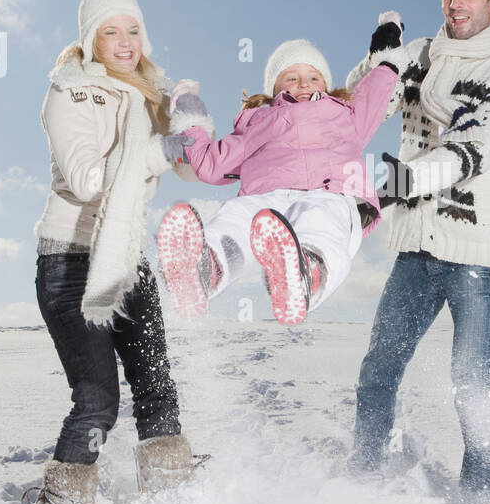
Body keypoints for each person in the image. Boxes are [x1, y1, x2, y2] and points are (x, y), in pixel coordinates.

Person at [343, 0, 490, 504]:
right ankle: (362, 473)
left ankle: (486, 496)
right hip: (415, 248)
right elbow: (364, 105)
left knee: (474, 380)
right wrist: (381, 58)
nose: (455, 4)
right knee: (380, 364)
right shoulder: (420, 55)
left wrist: (407, 179)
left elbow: (477, 145)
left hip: (476, 249)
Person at [31, 0, 215, 504]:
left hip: (127, 259)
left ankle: (171, 503)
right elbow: (89, 180)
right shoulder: (69, 93)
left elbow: (186, 167)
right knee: (97, 401)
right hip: (69, 259)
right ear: (91, 39)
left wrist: (191, 126)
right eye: (110, 32)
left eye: (132, 30)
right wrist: (159, 150)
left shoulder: (151, 97)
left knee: (157, 386)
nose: (124, 41)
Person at [155, 30, 402, 325]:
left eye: (313, 77)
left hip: (331, 193)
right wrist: (191, 118)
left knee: (322, 224)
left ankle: (307, 274)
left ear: (326, 84)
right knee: (234, 219)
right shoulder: (256, 121)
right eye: (291, 78)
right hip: (263, 199)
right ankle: (202, 267)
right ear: (274, 89)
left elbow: (374, 93)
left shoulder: (346, 114)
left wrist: (387, 57)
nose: (303, 84)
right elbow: (212, 164)